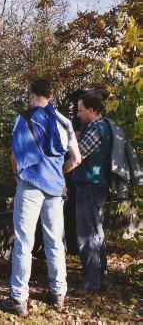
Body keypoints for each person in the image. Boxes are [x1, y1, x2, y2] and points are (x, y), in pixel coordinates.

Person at [1, 78, 81, 316]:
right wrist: (59, 176)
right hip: (55, 189)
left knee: (24, 242)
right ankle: (58, 293)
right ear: (51, 96)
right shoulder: (65, 122)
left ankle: (18, 299)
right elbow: (76, 159)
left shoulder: (23, 118)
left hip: (29, 184)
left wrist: (18, 177)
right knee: (55, 241)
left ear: (31, 94)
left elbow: (16, 154)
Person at [71, 92, 112, 294]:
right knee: (96, 233)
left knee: (86, 235)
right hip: (96, 186)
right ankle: (101, 277)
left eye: (81, 110)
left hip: (89, 185)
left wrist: (70, 144)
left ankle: (90, 282)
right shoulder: (101, 127)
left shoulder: (95, 129)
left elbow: (78, 155)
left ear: (92, 110)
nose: (78, 114)